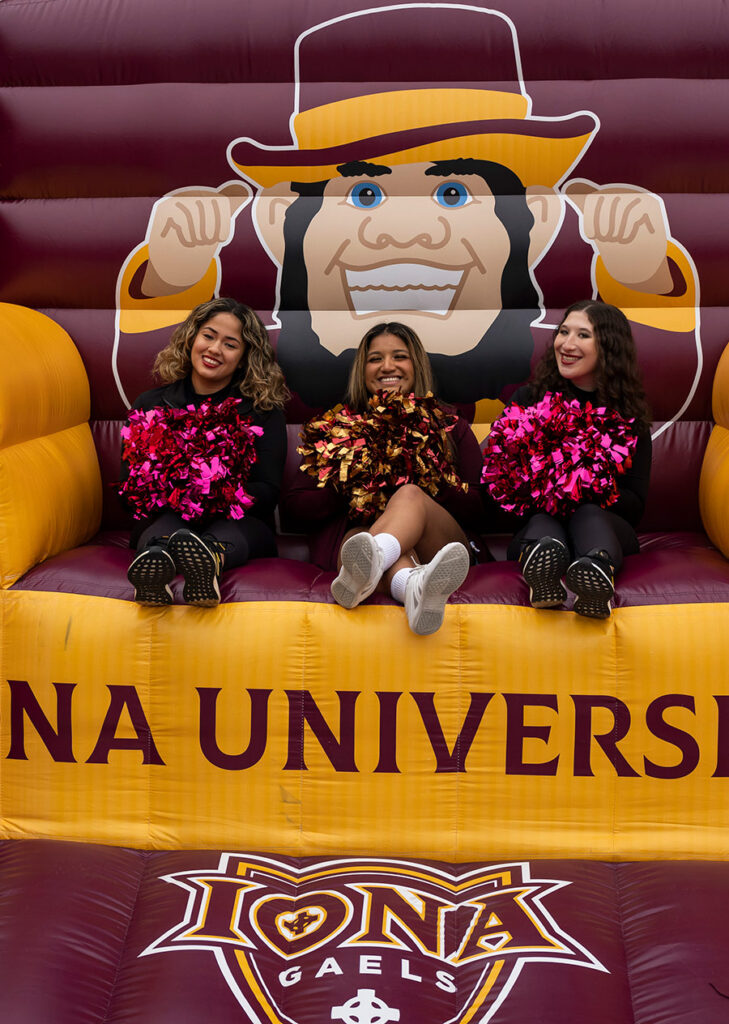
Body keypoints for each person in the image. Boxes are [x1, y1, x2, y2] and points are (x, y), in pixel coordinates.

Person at [284, 322, 484, 635]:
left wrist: (422, 471)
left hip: (438, 544)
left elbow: (480, 506)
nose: (387, 366)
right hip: (354, 543)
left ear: (415, 365)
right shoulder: (337, 429)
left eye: (399, 356)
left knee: (409, 496)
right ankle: (411, 588)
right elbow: (294, 508)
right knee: (361, 539)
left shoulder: (448, 426)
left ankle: (372, 560)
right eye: (375, 358)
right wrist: (353, 479)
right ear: (362, 370)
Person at [121, 297, 288, 606]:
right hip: (167, 516)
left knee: (226, 532)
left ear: (244, 357)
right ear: (192, 338)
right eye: (208, 336)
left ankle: (207, 565)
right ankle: (153, 574)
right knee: (164, 530)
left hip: (240, 521)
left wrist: (214, 492)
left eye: (230, 344)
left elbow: (268, 491)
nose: (214, 349)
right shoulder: (150, 404)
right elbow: (130, 487)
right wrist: (178, 493)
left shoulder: (263, 411)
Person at [503, 300, 652, 619]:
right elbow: (500, 488)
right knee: (546, 524)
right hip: (540, 525)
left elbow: (635, 507)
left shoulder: (628, 418)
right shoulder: (527, 402)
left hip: (604, 527)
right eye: (563, 332)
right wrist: (548, 485)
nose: (567, 344)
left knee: (587, 515)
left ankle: (596, 577)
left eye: (583, 335)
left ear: (609, 348)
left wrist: (587, 483)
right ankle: (542, 577)